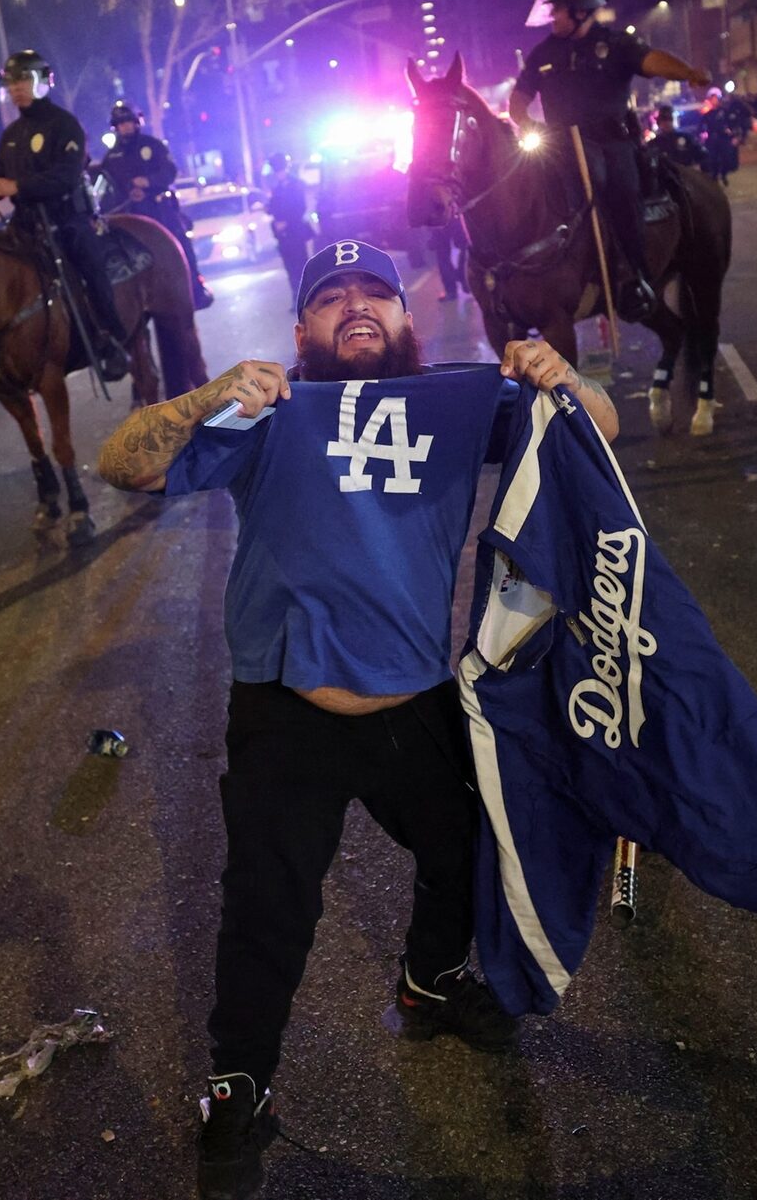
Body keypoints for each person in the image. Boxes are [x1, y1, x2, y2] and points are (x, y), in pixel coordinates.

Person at [95, 239, 621, 1200]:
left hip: (415, 699)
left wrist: (559, 373)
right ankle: (238, 1086)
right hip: (288, 708)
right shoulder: (269, 414)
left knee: (469, 852)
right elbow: (121, 463)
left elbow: (603, 432)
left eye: (373, 291)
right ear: (301, 332)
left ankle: (427, 981)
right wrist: (210, 391)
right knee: (268, 907)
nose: (355, 306)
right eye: (329, 299)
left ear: (409, 317)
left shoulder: (463, 403)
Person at [509, 0, 711, 322]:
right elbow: (519, 98)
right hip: (561, 147)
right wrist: (525, 121)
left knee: (621, 190)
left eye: (558, 9)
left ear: (581, 10)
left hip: (612, 144)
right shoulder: (543, 52)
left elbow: (652, 61)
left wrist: (688, 72)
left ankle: (636, 276)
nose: (552, 16)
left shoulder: (616, 45)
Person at [0, 49, 131, 382]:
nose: (16, 88)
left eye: (23, 79)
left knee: (90, 265)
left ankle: (111, 338)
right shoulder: (11, 136)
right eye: (10, 82)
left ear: (42, 82)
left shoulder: (65, 125)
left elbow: (65, 176)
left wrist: (15, 185)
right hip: (26, 225)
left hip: (66, 220)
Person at [98, 100, 214, 310]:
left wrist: (148, 182)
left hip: (159, 210)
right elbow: (106, 189)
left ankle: (196, 291)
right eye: (120, 124)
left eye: (128, 122)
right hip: (130, 214)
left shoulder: (153, 146)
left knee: (180, 244)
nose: (125, 127)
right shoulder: (111, 157)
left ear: (136, 122)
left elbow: (169, 172)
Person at [264, 153, 316, 300]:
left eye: (279, 169)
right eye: (276, 170)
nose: (278, 173)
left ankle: (308, 297)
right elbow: (274, 208)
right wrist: (270, 211)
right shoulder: (277, 188)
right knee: (290, 267)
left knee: (300, 265)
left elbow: (300, 207)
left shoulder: (296, 184)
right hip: (283, 235)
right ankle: (296, 296)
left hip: (295, 232)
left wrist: (286, 221)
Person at [700, 90, 741, 186]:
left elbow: (733, 123)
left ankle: (724, 174)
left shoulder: (725, 112)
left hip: (724, 139)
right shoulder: (707, 115)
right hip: (712, 140)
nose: (714, 101)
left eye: (716, 99)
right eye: (712, 99)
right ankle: (715, 177)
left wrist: (733, 134)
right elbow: (702, 127)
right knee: (713, 159)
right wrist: (702, 135)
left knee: (726, 158)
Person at [649, 104, 706, 171]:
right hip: (664, 178)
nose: (667, 123)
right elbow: (653, 164)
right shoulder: (655, 143)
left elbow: (702, 156)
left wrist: (697, 167)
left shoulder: (685, 137)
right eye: (664, 120)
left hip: (684, 177)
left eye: (669, 119)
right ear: (659, 123)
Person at [429, 215, 469, 300]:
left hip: (439, 216)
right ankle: (465, 281)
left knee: (443, 256)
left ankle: (452, 290)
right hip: (457, 213)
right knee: (465, 248)